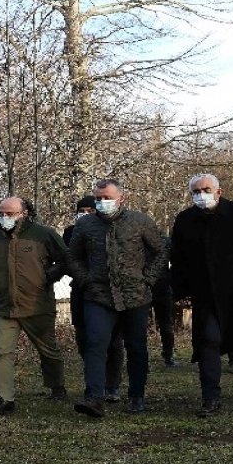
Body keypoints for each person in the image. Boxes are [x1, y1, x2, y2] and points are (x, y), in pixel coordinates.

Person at [170, 174, 233, 417]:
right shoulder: (185, 220)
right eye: (196, 191)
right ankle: (210, 397)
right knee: (208, 341)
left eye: (206, 190)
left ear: (219, 192)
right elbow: (178, 258)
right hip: (205, 294)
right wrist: (180, 290)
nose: (201, 195)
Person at [66, 179, 167, 417]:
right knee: (95, 343)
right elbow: (72, 256)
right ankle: (94, 397)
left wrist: (148, 279)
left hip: (135, 295)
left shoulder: (140, 221)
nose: (102, 202)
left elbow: (160, 251)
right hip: (98, 295)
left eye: (107, 198)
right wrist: (85, 279)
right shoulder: (85, 225)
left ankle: (136, 396)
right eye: (98, 198)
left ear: (121, 198)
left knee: (136, 346)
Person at [0, 196, 69, 417]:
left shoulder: (43, 234)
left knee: (48, 350)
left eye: (10, 214)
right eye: (1, 213)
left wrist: (48, 277)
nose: (4, 217)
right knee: (2, 352)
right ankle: (3, 398)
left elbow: (65, 259)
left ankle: (57, 385)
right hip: (4, 306)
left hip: (37, 304)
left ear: (24, 213)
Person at [63, 196, 126, 400]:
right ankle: (95, 380)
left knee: (113, 340)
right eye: (81, 210)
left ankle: (112, 385)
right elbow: (68, 259)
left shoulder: (111, 228)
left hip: (109, 291)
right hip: (81, 289)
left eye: (90, 210)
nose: (85, 214)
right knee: (84, 337)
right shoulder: (70, 232)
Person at [150, 239, 180, 367]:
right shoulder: (165, 241)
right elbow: (176, 263)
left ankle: (167, 356)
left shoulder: (138, 238)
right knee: (166, 323)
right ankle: (168, 356)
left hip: (149, 286)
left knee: (140, 324)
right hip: (162, 285)